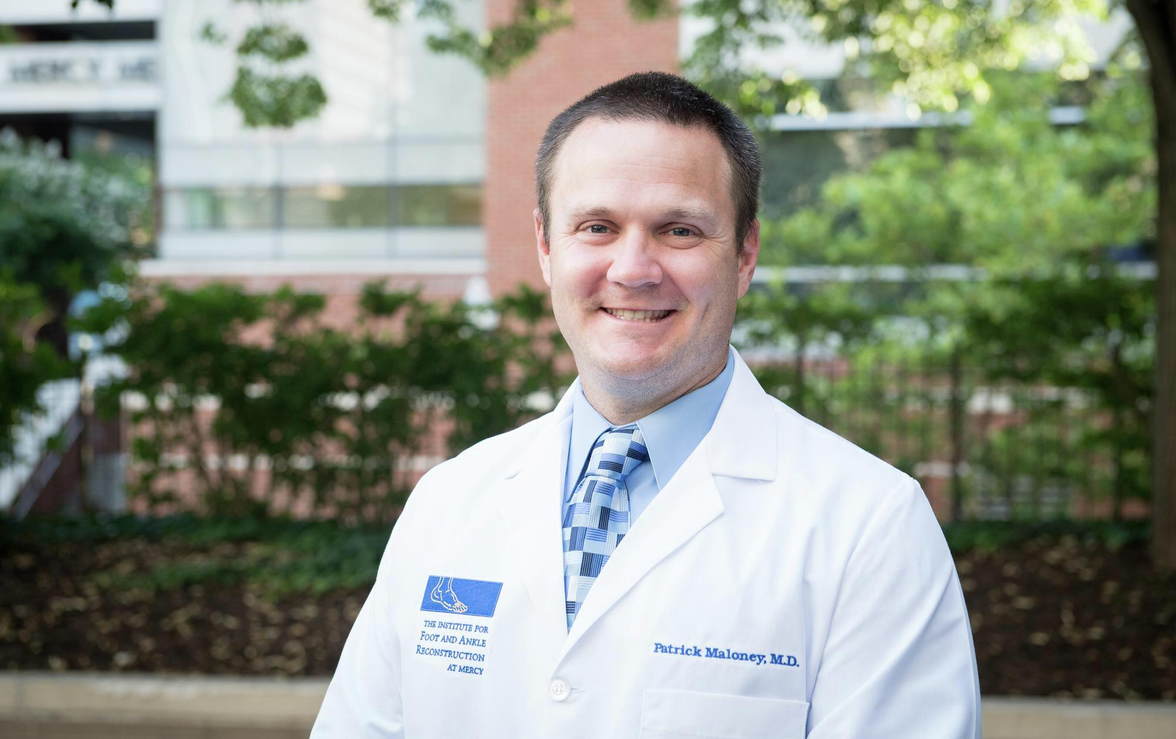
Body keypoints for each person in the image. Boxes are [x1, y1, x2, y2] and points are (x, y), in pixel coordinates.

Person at [311, 72, 981, 738]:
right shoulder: (448, 502)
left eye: (680, 231)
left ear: (745, 254)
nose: (633, 269)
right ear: (547, 246)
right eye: (597, 226)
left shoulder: (869, 528)